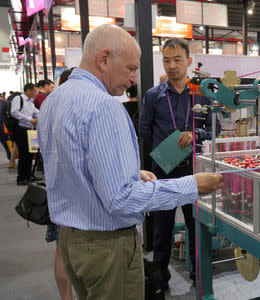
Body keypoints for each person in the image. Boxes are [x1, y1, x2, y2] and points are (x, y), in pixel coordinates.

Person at [37, 24, 222, 300]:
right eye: (131, 68)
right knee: (162, 232)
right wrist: (192, 186)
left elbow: (74, 162)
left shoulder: (54, 100)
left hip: (71, 241)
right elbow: (120, 199)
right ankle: (162, 277)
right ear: (104, 58)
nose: (134, 79)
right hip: (106, 247)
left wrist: (130, 172)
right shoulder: (105, 106)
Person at [139, 38, 221, 290]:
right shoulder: (153, 96)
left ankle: (199, 273)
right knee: (161, 229)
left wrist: (197, 135)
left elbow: (215, 129)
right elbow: (144, 131)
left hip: (194, 169)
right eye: (166, 60)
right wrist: (160, 155)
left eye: (177, 60)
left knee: (195, 224)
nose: (172, 65)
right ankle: (160, 278)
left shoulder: (204, 95)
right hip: (162, 170)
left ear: (188, 61)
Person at [43, 68, 75, 300]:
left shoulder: (50, 106)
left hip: (56, 188)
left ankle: (66, 298)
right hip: (78, 190)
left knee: (60, 250)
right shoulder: (78, 107)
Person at [11, 83, 38, 185]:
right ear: (29, 90)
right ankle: (21, 178)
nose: (36, 93)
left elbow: (37, 112)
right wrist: (29, 119)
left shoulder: (30, 103)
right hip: (21, 130)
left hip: (30, 130)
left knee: (30, 154)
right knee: (24, 155)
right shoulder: (19, 99)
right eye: (35, 91)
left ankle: (29, 175)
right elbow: (14, 112)